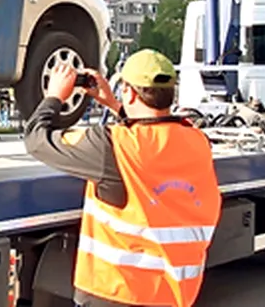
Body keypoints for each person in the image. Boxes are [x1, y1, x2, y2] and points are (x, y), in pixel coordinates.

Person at [25, 49, 221, 307]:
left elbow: (37, 140)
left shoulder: (112, 145)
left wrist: (54, 97)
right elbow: (152, 134)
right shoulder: (197, 141)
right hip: (174, 296)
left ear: (128, 92)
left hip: (117, 292)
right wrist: (114, 106)